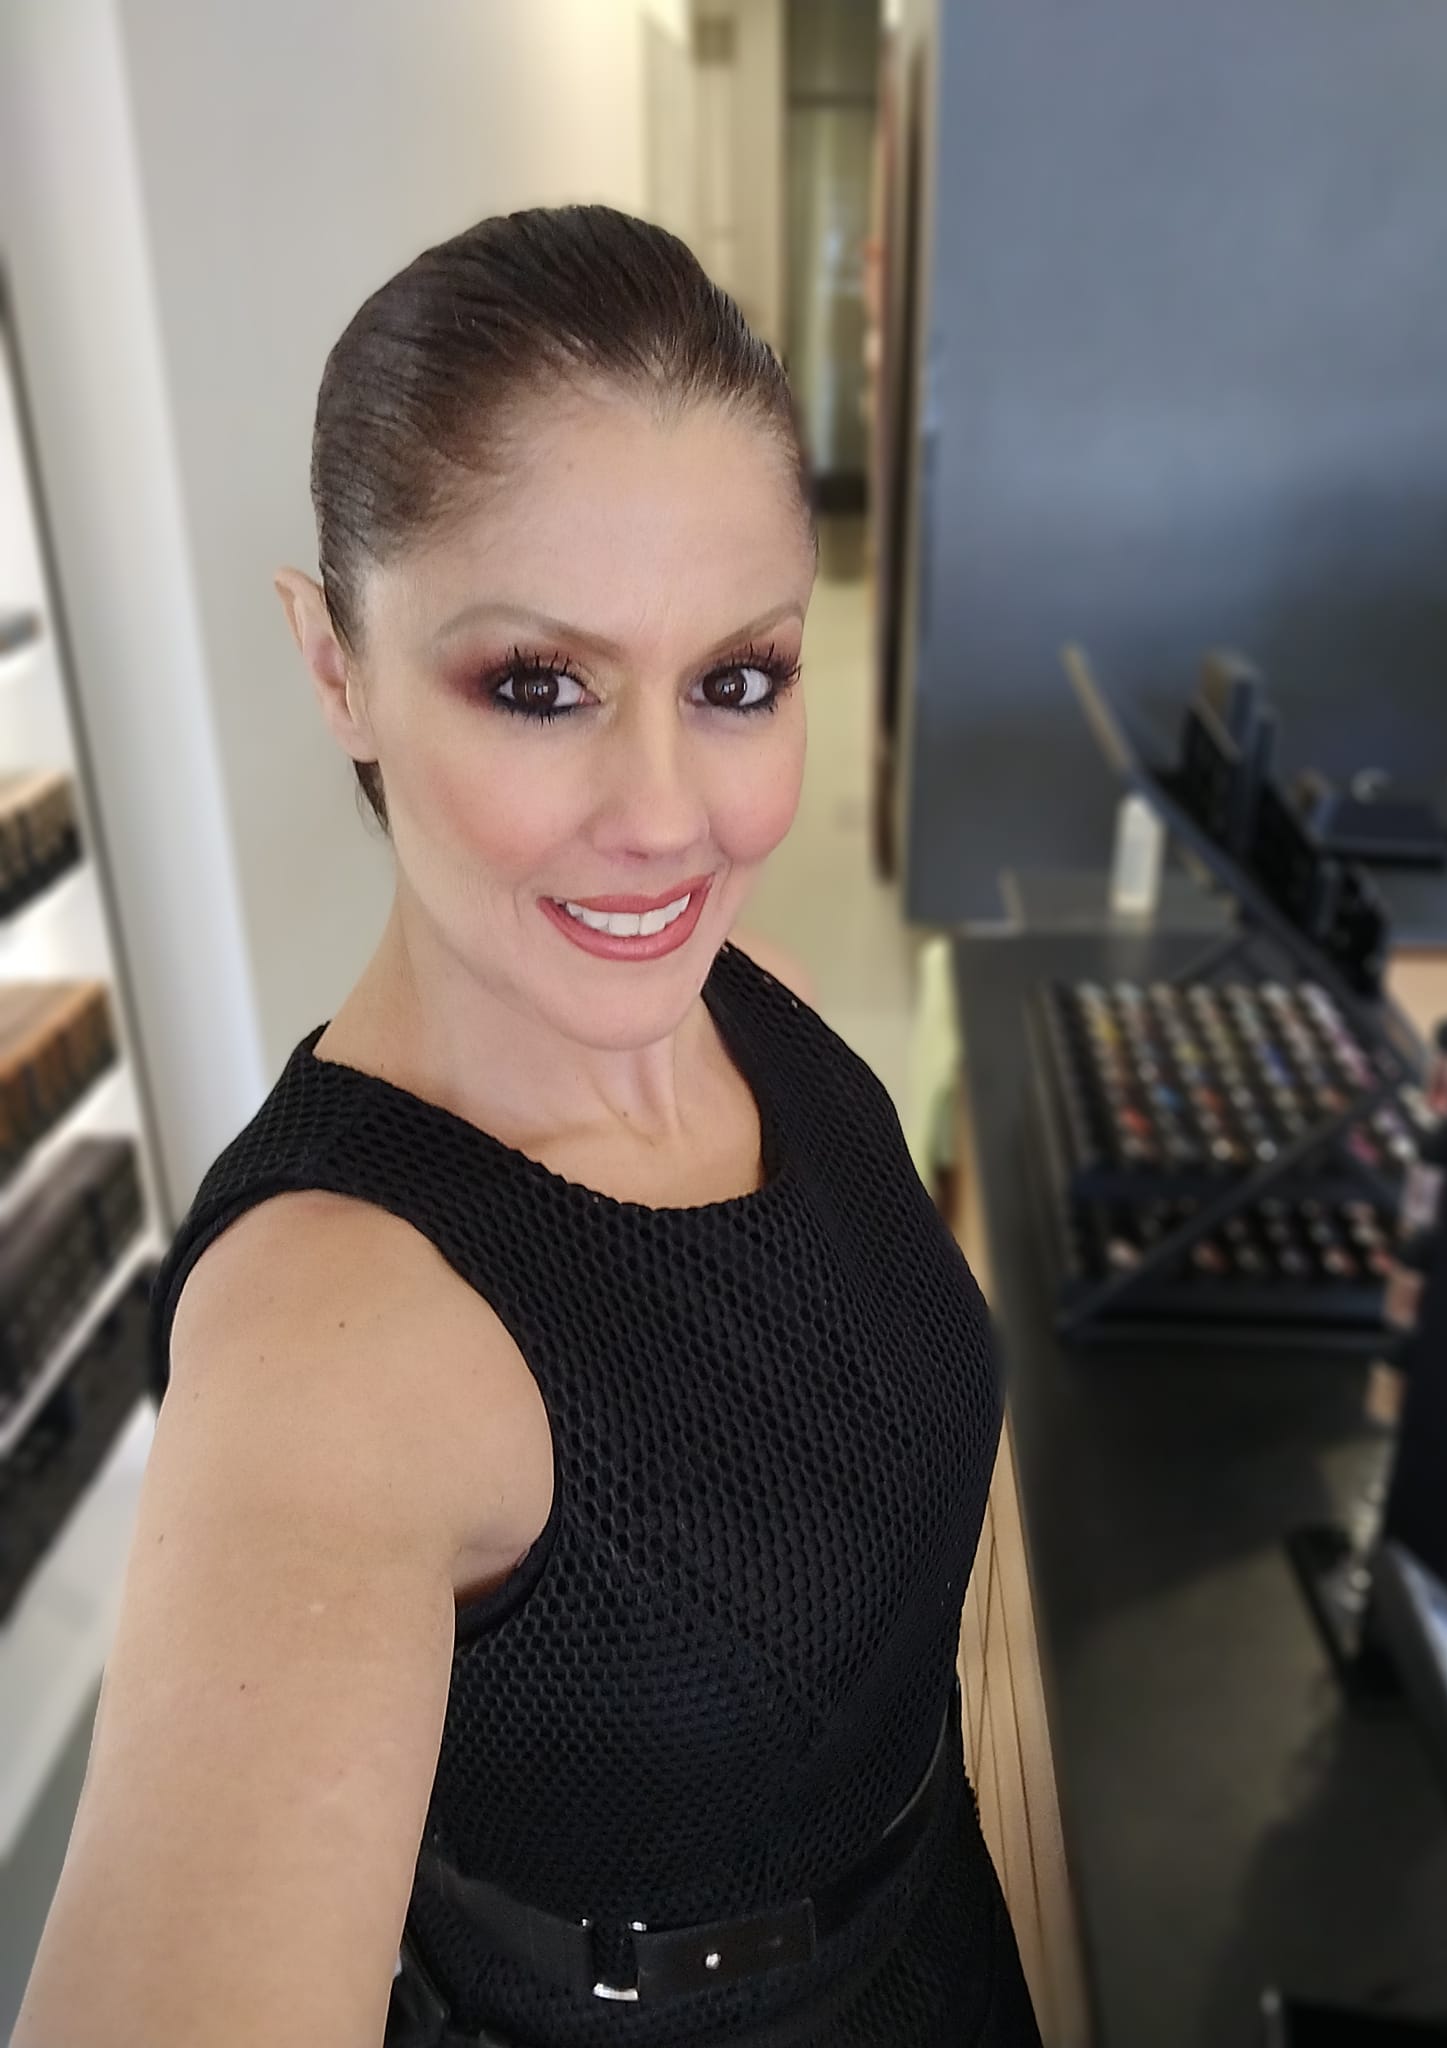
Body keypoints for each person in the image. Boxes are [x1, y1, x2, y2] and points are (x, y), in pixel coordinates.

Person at [14, 206, 1039, 2048]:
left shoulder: (767, 1000)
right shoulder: (331, 1341)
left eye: (737, 680)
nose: (665, 817)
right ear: (335, 664)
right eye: (540, 687)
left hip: (944, 1930)